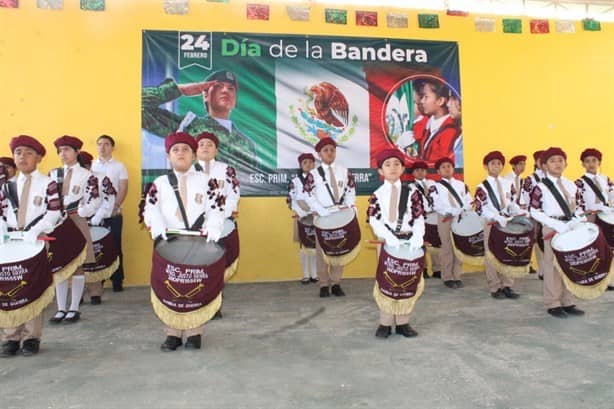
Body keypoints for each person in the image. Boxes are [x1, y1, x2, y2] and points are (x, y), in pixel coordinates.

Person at [143, 132, 224, 352]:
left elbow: (217, 208)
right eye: (176, 150)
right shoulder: (159, 183)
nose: (181, 153)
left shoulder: (208, 182)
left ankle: (194, 332)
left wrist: (214, 226)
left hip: (197, 243)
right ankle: (172, 334)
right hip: (169, 243)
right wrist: (159, 229)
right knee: (171, 286)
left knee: (196, 286)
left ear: (193, 154)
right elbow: (150, 208)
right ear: (169, 155)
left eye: (186, 149)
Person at [1, 135, 62, 357]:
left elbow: (55, 211)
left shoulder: (48, 183)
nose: (22, 157)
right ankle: (10, 337)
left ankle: (31, 337)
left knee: (32, 288)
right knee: (9, 288)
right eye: (18, 153)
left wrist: (37, 230)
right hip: (10, 244)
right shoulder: (7, 186)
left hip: (35, 243)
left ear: (38, 158)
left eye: (28, 153)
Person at [142, 70, 259, 170]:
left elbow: (252, 181)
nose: (225, 91)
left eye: (231, 88)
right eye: (219, 86)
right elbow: (138, 107)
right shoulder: (187, 126)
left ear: (235, 100)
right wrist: (180, 90)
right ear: (206, 95)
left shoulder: (247, 144)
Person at [368, 149, 425, 338]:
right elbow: (374, 219)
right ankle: (385, 323)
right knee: (388, 281)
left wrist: (418, 236)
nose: (392, 167)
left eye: (396, 164)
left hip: (409, 242)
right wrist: (388, 236)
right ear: (381, 171)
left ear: (402, 168)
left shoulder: (412, 192)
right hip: (387, 242)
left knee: (408, 281)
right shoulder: (377, 194)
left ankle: (403, 323)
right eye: (387, 164)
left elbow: (419, 217)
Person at [49, 136, 101, 323]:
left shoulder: (87, 175)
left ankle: (74, 308)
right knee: (60, 266)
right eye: (60, 151)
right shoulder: (53, 174)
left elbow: (95, 199)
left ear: (77, 152)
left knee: (78, 265)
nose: (63, 154)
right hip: (57, 222)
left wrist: (83, 211)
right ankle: (61, 308)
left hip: (76, 220)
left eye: (67, 150)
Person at [529, 147, 586, 318]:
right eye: (552, 161)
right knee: (552, 266)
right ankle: (552, 303)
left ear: (566, 163)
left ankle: (567, 301)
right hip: (552, 227)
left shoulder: (571, 184)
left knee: (569, 264)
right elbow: (534, 210)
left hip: (570, 227)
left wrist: (576, 221)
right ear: (544, 165)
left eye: (560, 160)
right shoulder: (540, 187)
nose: (557, 164)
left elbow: (580, 207)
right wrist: (556, 225)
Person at [194, 131, 241, 319]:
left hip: (219, 226)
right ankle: (197, 303)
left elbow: (234, 195)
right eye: (202, 144)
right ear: (195, 149)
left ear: (216, 149)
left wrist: (219, 216)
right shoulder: (187, 170)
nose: (205, 147)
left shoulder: (226, 169)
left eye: (210, 144)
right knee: (197, 267)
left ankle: (214, 304)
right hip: (195, 228)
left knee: (216, 267)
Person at [303, 137, 357, 297]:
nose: (329, 153)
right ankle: (323, 284)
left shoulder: (344, 171)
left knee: (340, 250)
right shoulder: (314, 174)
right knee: (322, 251)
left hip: (340, 215)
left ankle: (336, 283)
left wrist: (349, 207)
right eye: (325, 150)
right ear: (319, 154)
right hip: (323, 216)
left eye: (332, 150)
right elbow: (308, 194)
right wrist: (320, 210)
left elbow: (350, 190)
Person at [474, 151, 523, 299]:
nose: (496, 166)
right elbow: (480, 208)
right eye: (492, 163)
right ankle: (495, 286)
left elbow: (513, 202)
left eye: (499, 163)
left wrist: (519, 212)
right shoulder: (482, 186)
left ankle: (507, 285)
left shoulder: (508, 184)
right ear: (486, 166)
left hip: (507, 224)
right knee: (491, 255)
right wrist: (496, 217)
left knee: (508, 253)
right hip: (492, 223)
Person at [91, 135, 128, 292]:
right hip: (94, 215)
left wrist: (116, 205)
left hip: (113, 214)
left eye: (106, 144)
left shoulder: (119, 166)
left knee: (115, 246)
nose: (102, 147)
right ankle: (97, 282)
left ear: (112, 147)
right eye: (99, 144)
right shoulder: (91, 166)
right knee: (97, 248)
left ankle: (117, 281)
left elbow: (123, 187)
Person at [429, 157, 473, 289]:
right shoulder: (434, 187)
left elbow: (469, 201)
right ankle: (447, 277)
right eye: (443, 167)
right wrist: (452, 211)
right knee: (446, 247)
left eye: (449, 166)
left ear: (453, 168)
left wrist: (461, 210)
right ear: (438, 171)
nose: (447, 169)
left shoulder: (461, 185)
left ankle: (457, 275)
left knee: (459, 246)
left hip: (460, 217)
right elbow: (435, 204)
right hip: (445, 218)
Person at [574, 148, 614, 290]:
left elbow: (612, 194)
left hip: (607, 217)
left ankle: (609, 279)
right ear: (583, 164)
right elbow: (578, 203)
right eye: (587, 161)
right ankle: (595, 278)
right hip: (590, 217)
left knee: (609, 248)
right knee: (594, 249)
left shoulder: (605, 179)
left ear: (599, 162)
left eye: (594, 161)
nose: (591, 164)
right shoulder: (579, 183)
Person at [287, 153, 318, 284]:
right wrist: (302, 213)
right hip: (302, 217)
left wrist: (317, 212)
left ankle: (315, 274)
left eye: (310, 162)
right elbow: (291, 200)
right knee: (304, 247)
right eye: (305, 163)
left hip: (317, 216)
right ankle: (305, 274)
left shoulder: (319, 180)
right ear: (301, 165)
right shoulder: (295, 182)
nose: (308, 165)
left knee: (317, 247)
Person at [415, 80, 461, 164]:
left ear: (440, 101)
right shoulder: (429, 126)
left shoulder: (450, 131)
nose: (422, 101)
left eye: (426, 97)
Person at [410, 160, 440, 279]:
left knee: (436, 244)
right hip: (420, 218)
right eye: (417, 170)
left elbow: (438, 198)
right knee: (420, 244)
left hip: (434, 216)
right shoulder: (411, 187)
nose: (420, 172)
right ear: (413, 173)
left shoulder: (433, 183)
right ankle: (423, 269)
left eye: (422, 170)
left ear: (426, 171)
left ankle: (438, 269)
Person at [523, 150, 547, 279]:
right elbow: (526, 197)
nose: (542, 162)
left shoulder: (551, 177)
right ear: (536, 162)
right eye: (539, 160)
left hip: (549, 216)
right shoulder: (530, 179)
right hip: (535, 215)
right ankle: (542, 270)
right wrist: (530, 214)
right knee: (537, 242)